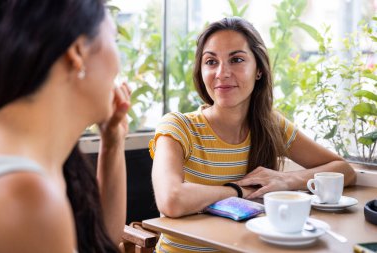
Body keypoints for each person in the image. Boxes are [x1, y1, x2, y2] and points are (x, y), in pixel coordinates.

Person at [149, 17, 356, 253]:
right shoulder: (177, 127)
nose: (222, 73)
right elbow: (171, 200)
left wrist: (287, 180)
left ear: (258, 70)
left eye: (236, 60)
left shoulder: (271, 125)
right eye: (211, 61)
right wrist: (240, 191)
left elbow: (344, 170)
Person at [0, 1, 130, 253]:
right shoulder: (25, 197)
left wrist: (112, 141)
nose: (119, 65)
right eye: (115, 41)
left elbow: (99, 241)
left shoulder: (40, 158)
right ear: (78, 51)